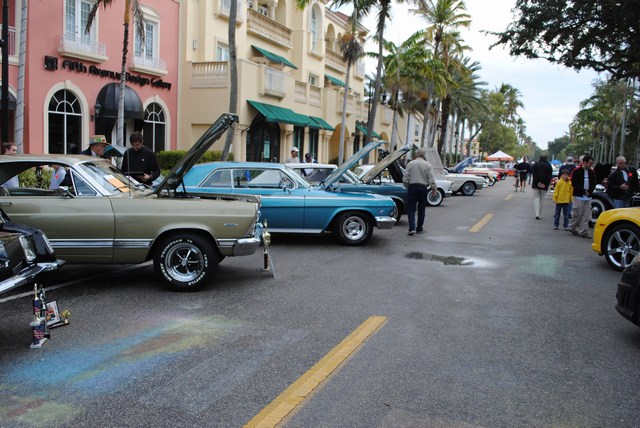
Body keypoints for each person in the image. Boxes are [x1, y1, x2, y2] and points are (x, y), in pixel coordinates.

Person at [402, 147, 437, 236]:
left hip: (412, 187)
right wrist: (434, 189)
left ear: (416, 154)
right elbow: (431, 179)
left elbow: (405, 178)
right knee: (422, 209)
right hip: (423, 188)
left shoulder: (410, 164)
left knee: (411, 209)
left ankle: (412, 228)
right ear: (424, 155)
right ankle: (419, 228)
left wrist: (407, 186)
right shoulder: (428, 165)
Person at [568, 154, 596, 238]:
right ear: (584, 162)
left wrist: (590, 191)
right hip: (578, 196)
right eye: (589, 163)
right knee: (577, 214)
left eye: (591, 164)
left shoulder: (592, 172)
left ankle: (583, 231)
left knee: (586, 215)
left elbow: (594, 183)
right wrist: (583, 191)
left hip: (588, 197)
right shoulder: (576, 171)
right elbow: (574, 183)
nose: (590, 165)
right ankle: (572, 227)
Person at [531, 154, 553, 219]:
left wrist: (538, 182)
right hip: (544, 185)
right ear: (546, 158)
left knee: (536, 199)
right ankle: (539, 214)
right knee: (542, 199)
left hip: (535, 184)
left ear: (540, 157)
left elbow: (533, 174)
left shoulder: (536, 164)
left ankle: (537, 214)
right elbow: (550, 176)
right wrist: (544, 183)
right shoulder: (549, 165)